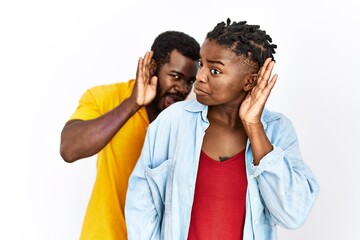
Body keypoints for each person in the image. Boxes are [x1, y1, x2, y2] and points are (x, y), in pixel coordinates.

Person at [125, 18, 320, 240]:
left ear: (249, 82)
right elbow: (141, 203)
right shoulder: (172, 121)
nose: (199, 78)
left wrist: (254, 127)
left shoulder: (278, 130)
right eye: (202, 64)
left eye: (215, 71)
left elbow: (293, 215)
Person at [60, 31, 200, 239]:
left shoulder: (187, 120)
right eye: (176, 76)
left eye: (189, 82)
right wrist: (133, 103)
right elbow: (69, 150)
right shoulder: (106, 97)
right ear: (152, 67)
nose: (182, 88)